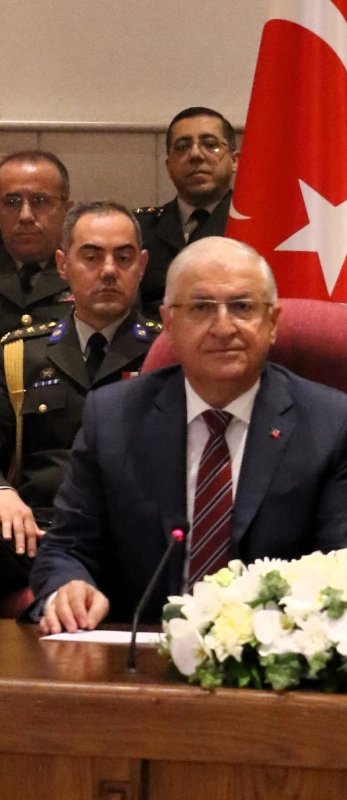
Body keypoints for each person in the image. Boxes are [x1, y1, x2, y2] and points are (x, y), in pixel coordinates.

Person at [30, 236, 347, 632]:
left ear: (272, 323)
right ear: (169, 324)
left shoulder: (331, 424)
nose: (223, 327)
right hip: (138, 651)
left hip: (274, 652)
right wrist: (67, 588)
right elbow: (67, 546)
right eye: (201, 308)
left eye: (242, 307)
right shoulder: (112, 416)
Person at [0, 201, 161, 600]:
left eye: (123, 257)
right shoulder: (21, 355)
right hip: (40, 532)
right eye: (91, 256)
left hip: (136, 536)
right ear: (63, 264)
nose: (108, 270)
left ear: (142, 265)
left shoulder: (168, 352)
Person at [136, 107, 239, 320]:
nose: (195, 154)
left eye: (210, 145)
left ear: (235, 161)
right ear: (169, 166)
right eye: (182, 147)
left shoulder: (259, 228)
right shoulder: (139, 229)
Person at [0, 151, 75, 334]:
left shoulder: (89, 273)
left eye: (40, 201)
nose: (25, 216)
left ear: (66, 211)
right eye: (12, 202)